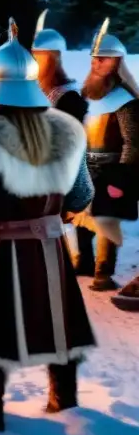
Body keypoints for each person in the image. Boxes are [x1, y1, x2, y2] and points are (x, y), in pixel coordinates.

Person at [0, 20, 96, 431]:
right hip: (50, 249)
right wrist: (49, 216)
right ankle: (65, 402)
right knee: (58, 323)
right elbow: (81, 195)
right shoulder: (66, 130)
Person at [75, 19, 139, 293]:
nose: (96, 63)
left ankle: (104, 270)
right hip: (84, 165)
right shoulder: (85, 93)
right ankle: (85, 261)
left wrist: (120, 178)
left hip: (112, 167)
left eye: (102, 59)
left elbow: (134, 143)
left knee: (105, 220)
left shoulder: (126, 101)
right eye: (94, 58)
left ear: (116, 63)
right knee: (80, 215)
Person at [31, 10, 93, 274]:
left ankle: (83, 261)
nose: (35, 59)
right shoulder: (35, 88)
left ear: (53, 58)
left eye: (40, 55)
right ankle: (58, 260)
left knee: (69, 214)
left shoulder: (68, 96)